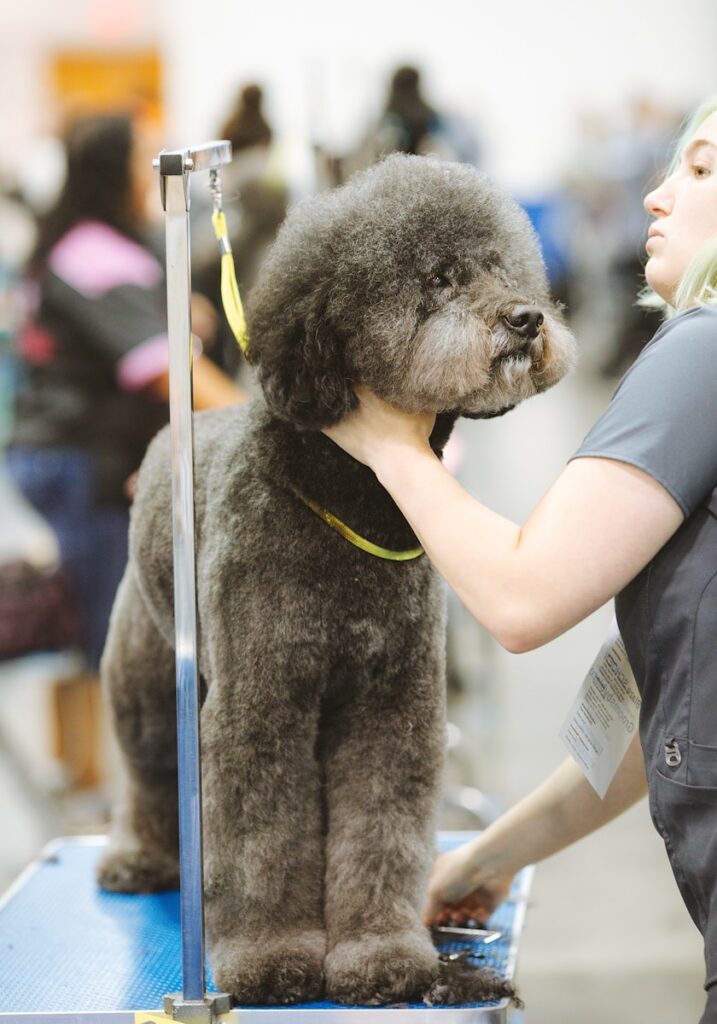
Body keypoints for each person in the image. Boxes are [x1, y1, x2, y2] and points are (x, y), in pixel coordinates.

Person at [323, 96, 717, 1022]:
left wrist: (389, 447)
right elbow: (651, 699)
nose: (658, 197)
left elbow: (520, 597)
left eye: (699, 171)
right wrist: (490, 856)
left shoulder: (701, 354)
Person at [7, 114, 245, 784]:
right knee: (107, 629)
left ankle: (87, 780)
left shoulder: (98, 242)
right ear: (113, 171)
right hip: (78, 459)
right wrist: (267, 428)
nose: (156, 173)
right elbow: (168, 366)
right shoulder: (90, 250)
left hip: (73, 453)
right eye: (145, 158)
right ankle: (98, 791)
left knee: (96, 619)